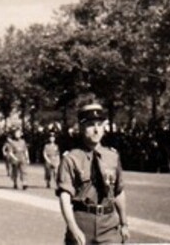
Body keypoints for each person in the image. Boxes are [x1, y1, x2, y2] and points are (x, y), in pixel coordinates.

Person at [57, 102, 130, 244]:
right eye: (91, 125)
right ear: (81, 127)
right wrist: (73, 228)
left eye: (99, 124)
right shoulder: (71, 159)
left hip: (109, 224)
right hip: (82, 222)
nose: (96, 130)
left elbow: (118, 192)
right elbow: (64, 196)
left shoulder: (113, 157)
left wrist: (124, 223)